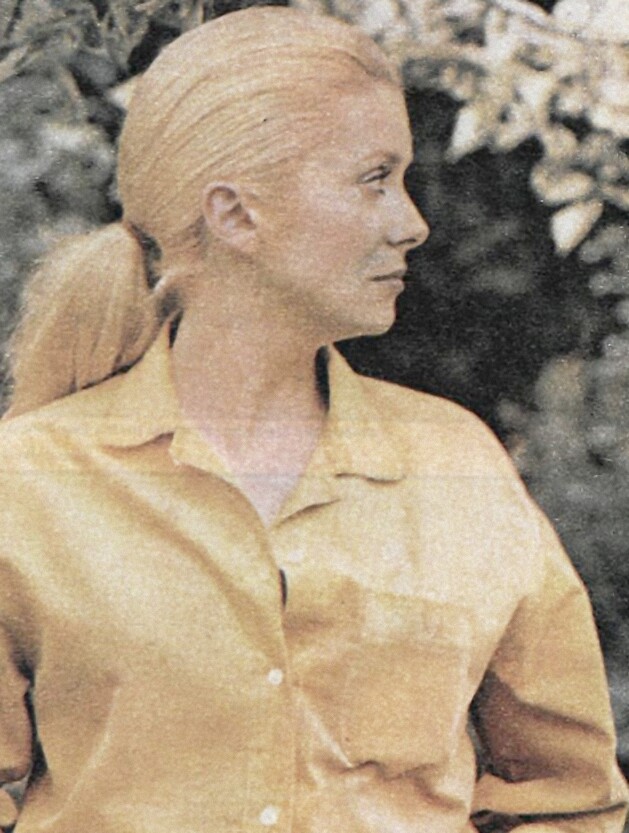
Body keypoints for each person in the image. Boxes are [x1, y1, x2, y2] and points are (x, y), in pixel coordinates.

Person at [0, 6, 626, 832]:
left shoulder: (455, 464)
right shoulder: (30, 483)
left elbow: (568, 799)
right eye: (374, 178)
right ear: (235, 215)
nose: (412, 223)